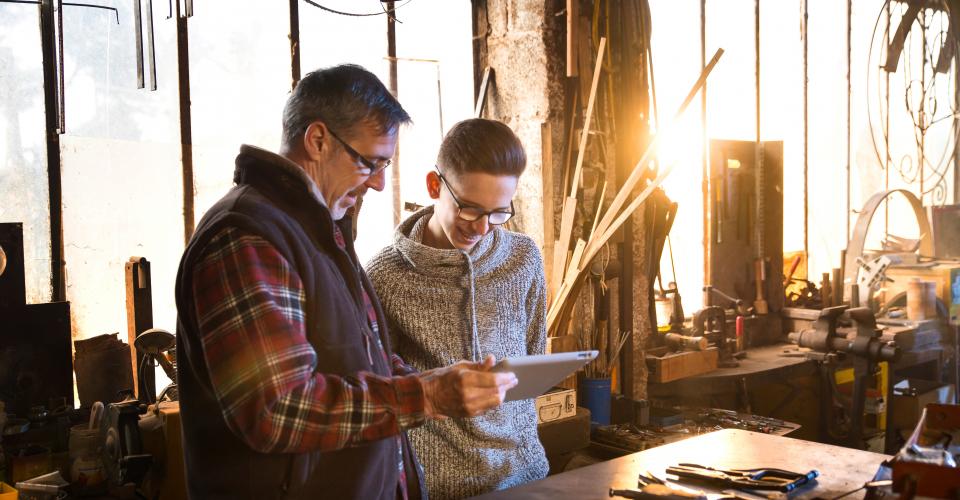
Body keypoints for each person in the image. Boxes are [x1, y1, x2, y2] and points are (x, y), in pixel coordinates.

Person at [174, 66, 518, 500]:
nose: (378, 183)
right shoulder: (247, 237)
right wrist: (427, 396)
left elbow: (361, 357)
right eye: (370, 163)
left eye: (384, 166)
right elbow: (277, 409)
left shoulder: (319, 229)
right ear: (317, 141)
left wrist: (437, 379)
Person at [367, 118, 550, 499]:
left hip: (528, 478)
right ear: (435, 186)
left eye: (498, 213)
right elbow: (383, 397)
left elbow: (534, 360)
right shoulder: (385, 276)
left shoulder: (523, 258)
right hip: (437, 489)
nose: (482, 227)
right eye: (469, 209)